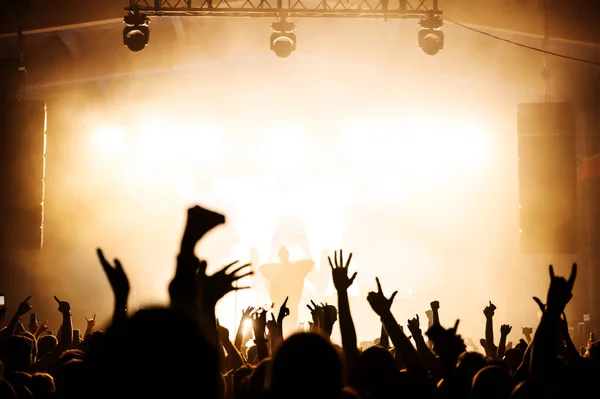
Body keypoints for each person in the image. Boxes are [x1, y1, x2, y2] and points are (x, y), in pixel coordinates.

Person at [260, 246, 313, 334]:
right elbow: (262, 269)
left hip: (291, 303)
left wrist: (289, 266)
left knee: (289, 328)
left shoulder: (295, 269)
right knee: (279, 327)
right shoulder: (276, 270)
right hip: (279, 304)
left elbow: (310, 263)